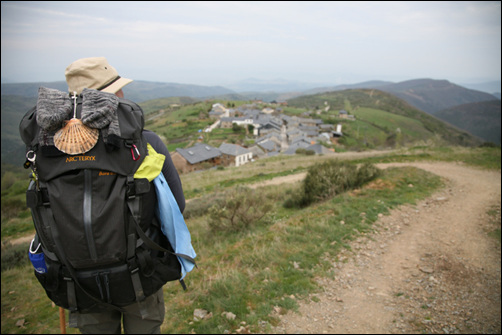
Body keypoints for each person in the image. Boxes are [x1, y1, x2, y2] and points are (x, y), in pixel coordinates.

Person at [64, 57, 185, 333]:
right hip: (138, 275)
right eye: (117, 90)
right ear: (109, 99)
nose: (123, 95)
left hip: (79, 281)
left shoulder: (52, 152)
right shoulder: (145, 142)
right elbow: (177, 207)